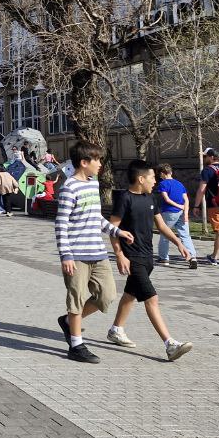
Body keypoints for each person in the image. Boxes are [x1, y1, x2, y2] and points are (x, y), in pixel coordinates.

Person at [105, 159, 194, 361]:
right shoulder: (125, 198)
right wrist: (119, 254)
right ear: (140, 179)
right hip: (133, 257)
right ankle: (170, 344)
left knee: (130, 294)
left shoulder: (150, 198)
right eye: (152, 177)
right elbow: (113, 229)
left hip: (147, 256)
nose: (155, 181)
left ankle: (116, 330)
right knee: (151, 298)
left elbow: (161, 226)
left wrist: (179, 243)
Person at [53, 141, 133, 364]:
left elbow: (95, 217)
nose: (100, 164)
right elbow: (61, 224)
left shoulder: (92, 184)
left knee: (107, 295)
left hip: (98, 252)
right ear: (84, 162)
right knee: (76, 299)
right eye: (96, 160)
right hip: (77, 256)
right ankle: (76, 346)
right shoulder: (69, 188)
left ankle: (68, 322)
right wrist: (66, 255)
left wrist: (117, 231)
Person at [155, 164, 197, 269]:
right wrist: (185, 212)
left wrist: (178, 206)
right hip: (182, 213)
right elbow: (186, 200)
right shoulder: (179, 184)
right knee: (185, 235)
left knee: (165, 234)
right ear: (171, 172)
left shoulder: (163, 184)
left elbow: (167, 199)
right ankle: (192, 257)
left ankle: (164, 258)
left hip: (169, 212)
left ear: (162, 174)